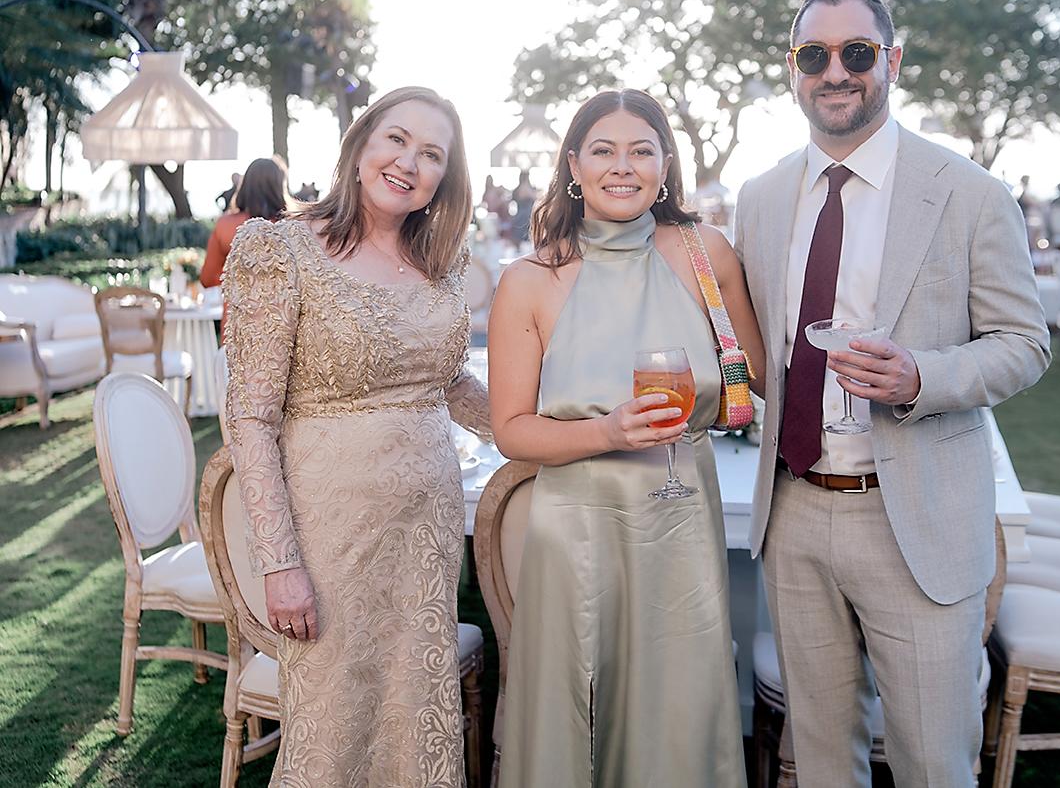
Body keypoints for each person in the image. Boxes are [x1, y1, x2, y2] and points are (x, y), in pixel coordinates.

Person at [734, 0, 1050, 787]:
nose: (835, 72)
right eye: (815, 55)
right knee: (820, 761)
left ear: (892, 61)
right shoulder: (762, 198)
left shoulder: (971, 192)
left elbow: (1024, 343)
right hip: (796, 509)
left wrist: (923, 375)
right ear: (794, 71)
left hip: (918, 517)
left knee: (932, 765)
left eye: (857, 53)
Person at [488, 89, 764, 788]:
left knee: (679, 700)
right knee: (576, 697)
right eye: (604, 150)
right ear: (574, 165)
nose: (623, 166)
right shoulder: (530, 281)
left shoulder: (708, 255)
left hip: (680, 518)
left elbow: (762, 373)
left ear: (665, 165)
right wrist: (606, 429)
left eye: (642, 150)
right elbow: (511, 431)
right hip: (576, 527)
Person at [222, 86, 490, 787]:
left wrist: (542, 426)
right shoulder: (279, 250)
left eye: (432, 154)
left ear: (445, 178)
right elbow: (251, 415)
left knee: (413, 716)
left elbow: (449, 384)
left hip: (425, 532)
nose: (409, 162)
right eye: (396, 139)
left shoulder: (442, 262)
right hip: (329, 534)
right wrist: (280, 563)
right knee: (334, 728)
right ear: (362, 143)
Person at [199, 157, 291, 292]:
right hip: (283, 311)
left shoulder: (225, 225)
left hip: (237, 311)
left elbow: (207, 279)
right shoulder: (292, 227)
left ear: (245, 185)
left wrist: (241, 278)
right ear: (280, 186)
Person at [509, 168, 537, 244]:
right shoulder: (526, 188)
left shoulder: (517, 189)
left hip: (520, 216)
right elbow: (535, 198)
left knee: (520, 239)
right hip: (526, 216)